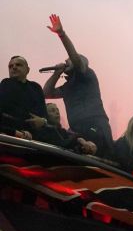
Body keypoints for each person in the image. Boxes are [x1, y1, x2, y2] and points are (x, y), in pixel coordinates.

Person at [41, 15, 112, 154]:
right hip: (77, 130)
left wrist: (62, 34)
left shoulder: (87, 76)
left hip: (95, 126)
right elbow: (46, 93)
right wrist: (56, 73)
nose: (67, 62)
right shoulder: (68, 86)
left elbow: (76, 58)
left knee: (95, 154)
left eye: (69, 61)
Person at [0, 55, 47, 139]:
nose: (14, 67)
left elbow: (44, 114)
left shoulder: (36, 88)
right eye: (10, 66)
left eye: (18, 65)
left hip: (37, 135)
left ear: (27, 70)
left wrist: (43, 121)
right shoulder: (5, 84)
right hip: (13, 134)